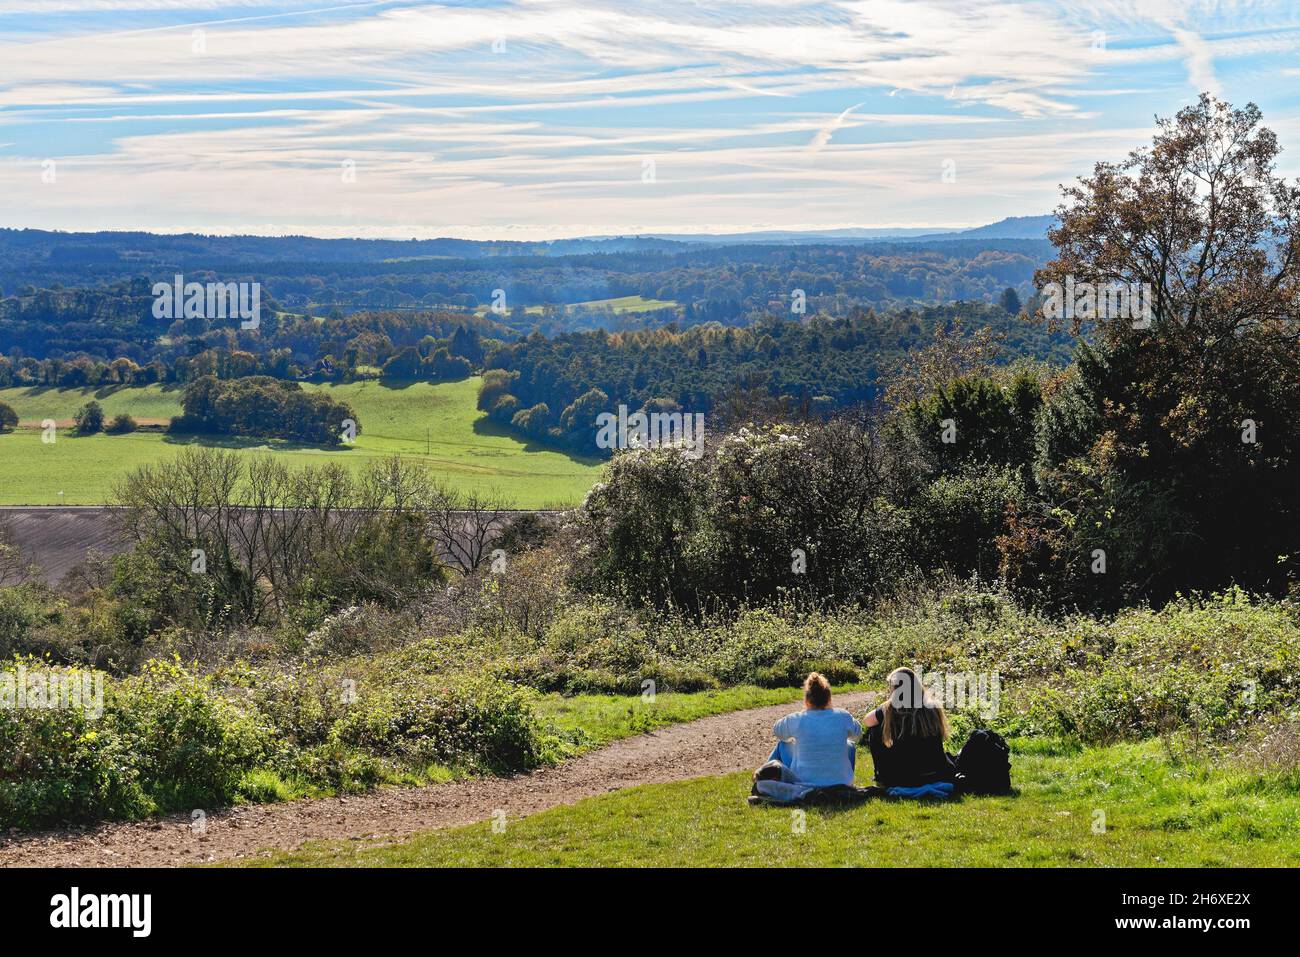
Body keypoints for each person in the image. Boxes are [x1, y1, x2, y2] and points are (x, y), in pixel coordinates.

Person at [756, 672, 862, 788]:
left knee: (782, 745)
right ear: (829, 699)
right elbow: (857, 735)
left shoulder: (797, 719)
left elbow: (777, 730)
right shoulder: (843, 716)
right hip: (840, 785)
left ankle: (764, 780)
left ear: (806, 701)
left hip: (804, 784)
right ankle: (846, 783)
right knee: (850, 746)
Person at [863, 667, 957, 789]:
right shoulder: (933, 706)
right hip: (936, 773)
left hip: (902, 777)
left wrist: (887, 703)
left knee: (875, 728)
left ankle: (881, 775)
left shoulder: (889, 709)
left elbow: (866, 721)